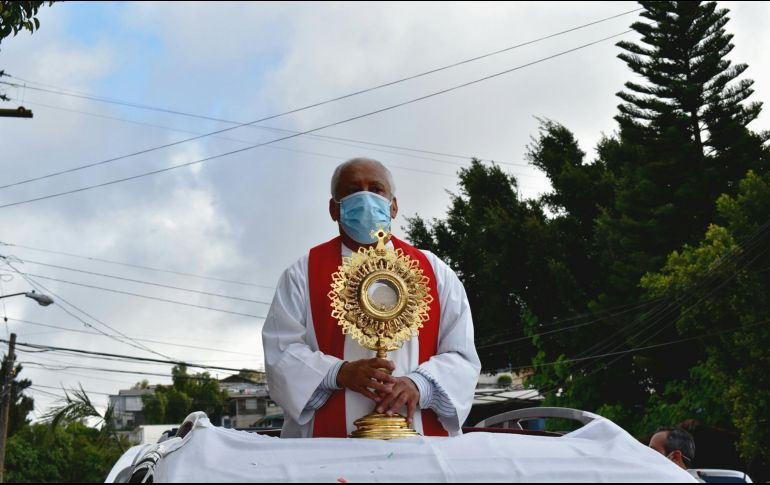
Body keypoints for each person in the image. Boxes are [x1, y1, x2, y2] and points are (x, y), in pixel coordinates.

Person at [262, 157, 481, 438]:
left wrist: (419, 385)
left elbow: (462, 355)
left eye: (376, 189)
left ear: (393, 206)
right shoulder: (302, 274)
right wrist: (338, 373)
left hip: (420, 440)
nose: (365, 197)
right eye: (353, 190)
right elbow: (281, 352)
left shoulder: (434, 271)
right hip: (328, 446)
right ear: (333, 208)